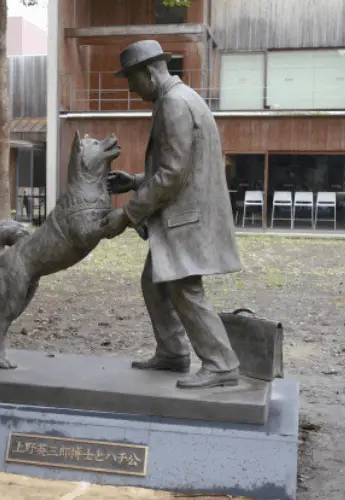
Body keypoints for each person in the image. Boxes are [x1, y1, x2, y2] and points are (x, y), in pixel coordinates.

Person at [101, 40, 243, 389]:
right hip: (186, 213)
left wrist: (127, 215)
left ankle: (222, 362)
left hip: (185, 218)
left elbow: (170, 176)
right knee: (154, 283)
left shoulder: (174, 104)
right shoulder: (182, 98)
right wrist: (135, 181)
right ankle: (173, 352)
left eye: (132, 80)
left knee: (184, 289)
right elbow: (179, 167)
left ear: (149, 72)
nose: (131, 89)